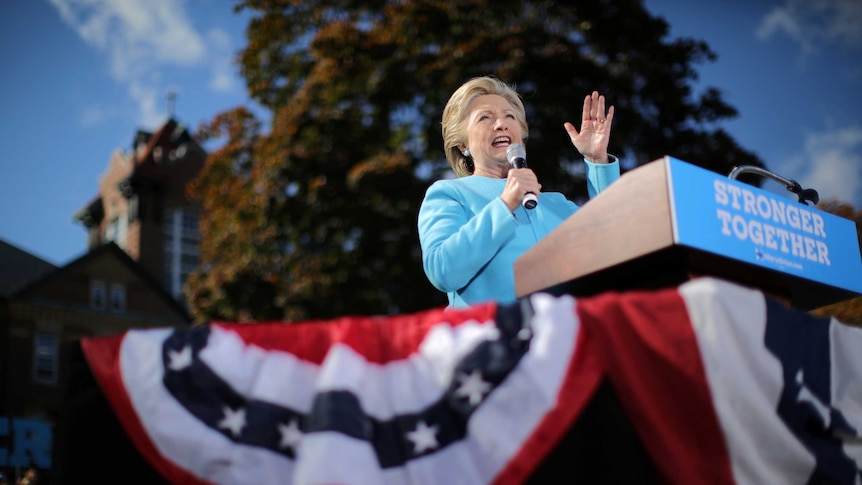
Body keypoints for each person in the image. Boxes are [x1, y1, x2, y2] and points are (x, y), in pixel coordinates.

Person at [418, 75, 620, 308]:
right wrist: (505, 204)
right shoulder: (450, 194)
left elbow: (614, 241)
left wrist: (597, 161)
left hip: (563, 336)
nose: (501, 124)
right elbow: (443, 270)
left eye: (509, 116)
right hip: (493, 338)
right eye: (485, 117)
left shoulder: (557, 204)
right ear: (463, 145)